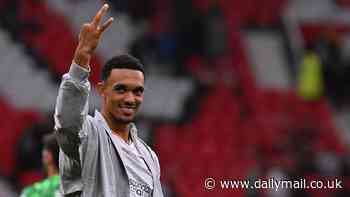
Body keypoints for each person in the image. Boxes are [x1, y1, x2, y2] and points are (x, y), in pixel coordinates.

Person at [54, 4, 163, 197]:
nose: (130, 99)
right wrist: (81, 59)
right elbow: (67, 120)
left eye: (137, 91)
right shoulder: (87, 134)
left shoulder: (149, 156)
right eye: (121, 89)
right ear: (102, 90)